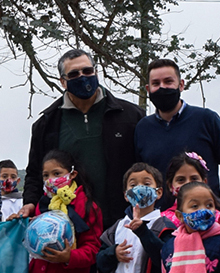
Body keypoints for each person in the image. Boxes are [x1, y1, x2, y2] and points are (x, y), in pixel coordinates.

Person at [24, 49, 144, 225]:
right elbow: (35, 173)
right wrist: (29, 202)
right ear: (63, 82)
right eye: (74, 74)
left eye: (87, 71)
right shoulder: (46, 125)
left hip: (124, 220)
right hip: (72, 224)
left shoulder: (132, 116)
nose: (82, 77)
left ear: (96, 72)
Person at [133, 59, 220, 195]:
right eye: (156, 83)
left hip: (204, 206)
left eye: (168, 81)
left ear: (181, 85)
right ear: (148, 89)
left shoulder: (206, 119)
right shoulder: (142, 129)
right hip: (159, 208)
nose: (162, 87)